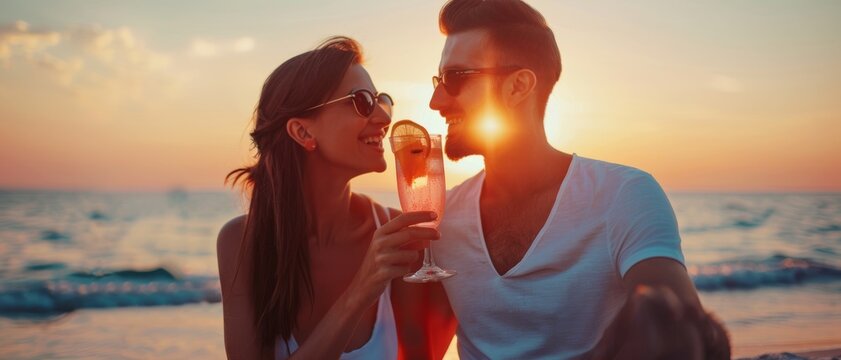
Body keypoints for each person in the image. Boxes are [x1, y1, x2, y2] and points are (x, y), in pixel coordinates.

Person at [426, 0, 730, 359]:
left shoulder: (624, 196)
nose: (435, 101)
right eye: (438, 80)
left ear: (518, 86)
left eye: (454, 78)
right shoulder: (440, 219)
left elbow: (677, 330)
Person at [216, 36, 445, 359]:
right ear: (303, 132)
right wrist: (361, 290)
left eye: (383, 100)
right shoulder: (241, 243)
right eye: (362, 101)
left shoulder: (400, 237)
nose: (383, 117)